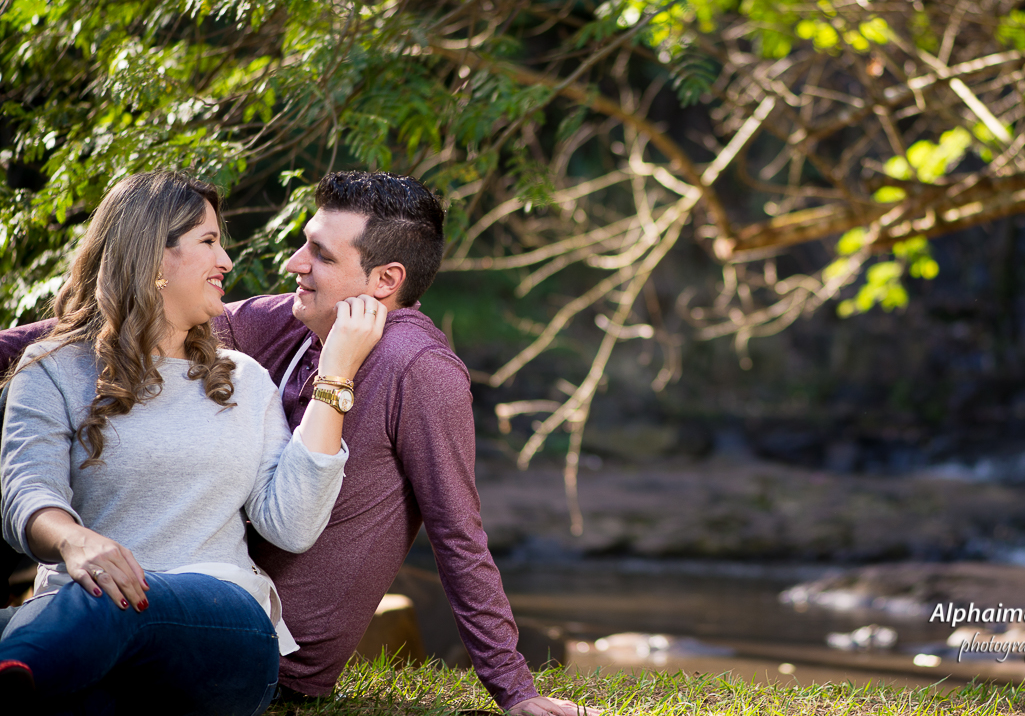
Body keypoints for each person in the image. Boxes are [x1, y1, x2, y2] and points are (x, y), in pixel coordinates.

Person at [0, 171, 595, 716]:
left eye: (321, 254)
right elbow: (128, 322)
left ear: (385, 281)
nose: (293, 263)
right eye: (305, 242)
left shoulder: (419, 370)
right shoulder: (287, 321)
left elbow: (457, 533)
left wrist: (515, 690)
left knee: (114, 604)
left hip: (265, 646)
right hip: (145, 632)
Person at [0, 170, 385, 714]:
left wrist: (336, 376)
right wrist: (73, 541)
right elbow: (25, 493)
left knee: (116, 602)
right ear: (152, 256)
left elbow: (292, 525)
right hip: (79, 617)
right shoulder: (51, 370)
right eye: (208, 241)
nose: (226, 260)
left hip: (221, 626)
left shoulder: (244, 379)